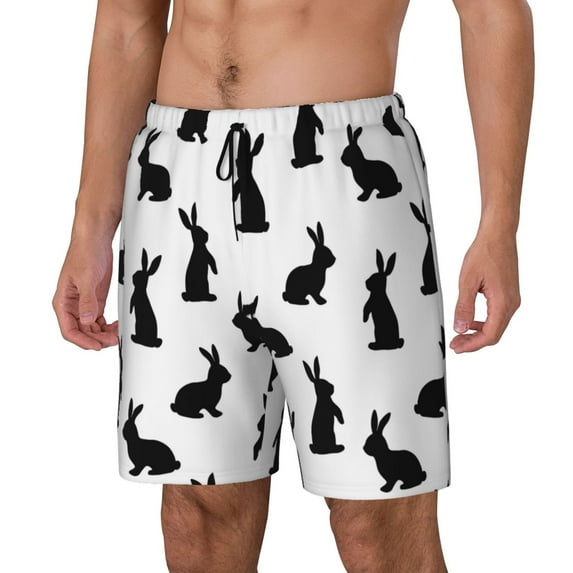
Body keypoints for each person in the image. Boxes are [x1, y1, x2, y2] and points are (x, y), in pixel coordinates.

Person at [52, 0, 534, 571]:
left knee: (376, 521)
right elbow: (127, 23)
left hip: (342, 172)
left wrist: (500, 225)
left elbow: (492, 14)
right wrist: (90, 226)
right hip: (177, 168)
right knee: (199, 513)